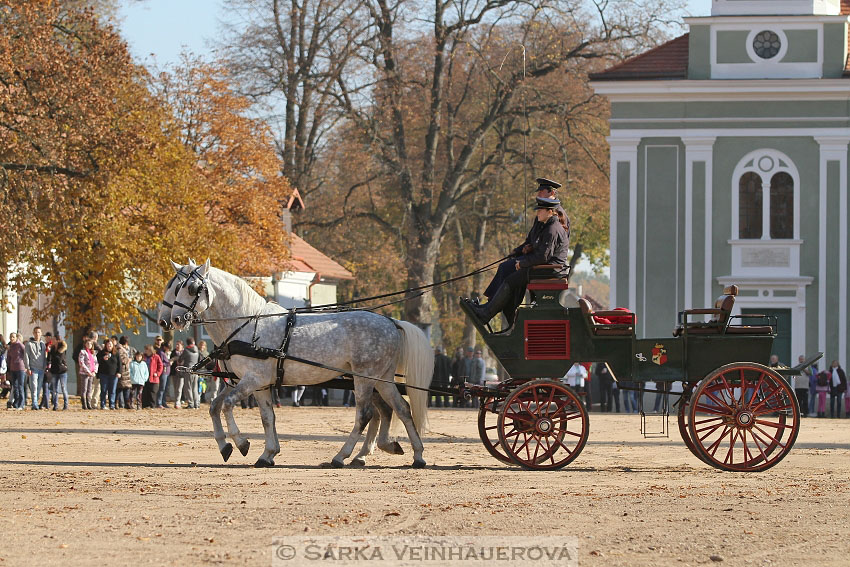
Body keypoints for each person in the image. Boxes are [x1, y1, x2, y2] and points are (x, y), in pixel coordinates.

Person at [464, 194, 569, 327]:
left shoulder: (552, 229)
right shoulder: (548, 226)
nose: (537, 213)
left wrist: (522, 263)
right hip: (544, 268)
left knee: (510, 280)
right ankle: (493, 311)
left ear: (549, 211)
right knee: (510, 276)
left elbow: (543, 257)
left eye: (540, 210)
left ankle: (487, 313)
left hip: (547, 271)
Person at [24, 326, 47, 410]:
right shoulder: (29, 344)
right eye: (36, 332)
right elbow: (26, 356)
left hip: (41, 368)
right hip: (33, 368)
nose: (37, 334)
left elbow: (44, 356)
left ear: (41, 334)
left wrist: (44, 367)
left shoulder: (43, 344)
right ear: (33, 333)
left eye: (39, 332)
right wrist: (28, 368)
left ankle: (36, 401)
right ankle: (34, 404)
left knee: (39, 386)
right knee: (34, 386)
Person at [96, 339, 119, 410]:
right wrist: (103, 358)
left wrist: (119, 372)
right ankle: (103, 405)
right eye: (108, 345)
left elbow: (119, 364)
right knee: (104, 390)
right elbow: (97, 360)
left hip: (114, 375)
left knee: (112, 391)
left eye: (111, 345)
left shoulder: (116, 353)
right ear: (105, 345)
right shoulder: (101, 353)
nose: (109, 346)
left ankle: (112, 405)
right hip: (104, 374)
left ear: (113, 345)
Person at [177, 337, 200, 409]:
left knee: (188, 387)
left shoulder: (186, 350)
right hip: (195, 370)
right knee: (195, 388)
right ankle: (197, 404)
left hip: (188, 370)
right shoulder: (197, 350)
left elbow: (180, 359)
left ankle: (191, 404)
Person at [6, 333, 27, 410]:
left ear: (16, 338)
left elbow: (26, 354)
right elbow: (9, 357)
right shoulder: (10, 347)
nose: (12, 338)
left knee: (20, 386)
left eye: (13, 337)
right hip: (13, 369)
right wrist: (8, 367)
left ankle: (22, 404)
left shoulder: (20, 345)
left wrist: (26, 366)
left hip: (20, 368)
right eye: (10, 337)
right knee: (14, 386)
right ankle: (17, 403)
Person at [47, 340, 69, 410]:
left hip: (62, 371)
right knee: (55, 389)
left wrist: (54, 353)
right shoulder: (52, 349)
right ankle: (55, 405)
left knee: (63, 388)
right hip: (54, 371)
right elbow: (49, 359)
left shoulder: (62, 349)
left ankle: (66, 404)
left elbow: (59, 359)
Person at [77, 338, 98, 410]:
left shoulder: (93, 353)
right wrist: (88, 371)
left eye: (90, 344)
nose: (89, 345)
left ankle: (89, 403)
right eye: (88, 344)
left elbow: (96, 363)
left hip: (91, 374)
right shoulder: (83, 352)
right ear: (85, 344)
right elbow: (81, 362)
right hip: (84, 373)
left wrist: (94, 371)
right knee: (84, 389)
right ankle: (84, 404)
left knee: (89, 389)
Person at [115, 339, 132, 410]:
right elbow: (122, 360)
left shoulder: (123, 350)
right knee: (120, 388)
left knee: (126, 388)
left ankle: (126, 403)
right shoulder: (120, 350)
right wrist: (128, 360)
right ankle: (118, 403)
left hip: (126, 372)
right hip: (122, 371)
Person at [156, 340, 172, 408]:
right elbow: (160, 363)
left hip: (167, 372)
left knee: (165, 388)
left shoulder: (165, 352)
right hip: (163, 372)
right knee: (162, 388)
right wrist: (168, 363)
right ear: (165, 347)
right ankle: (159, 402)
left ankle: (163, 402)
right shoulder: (161, 352)